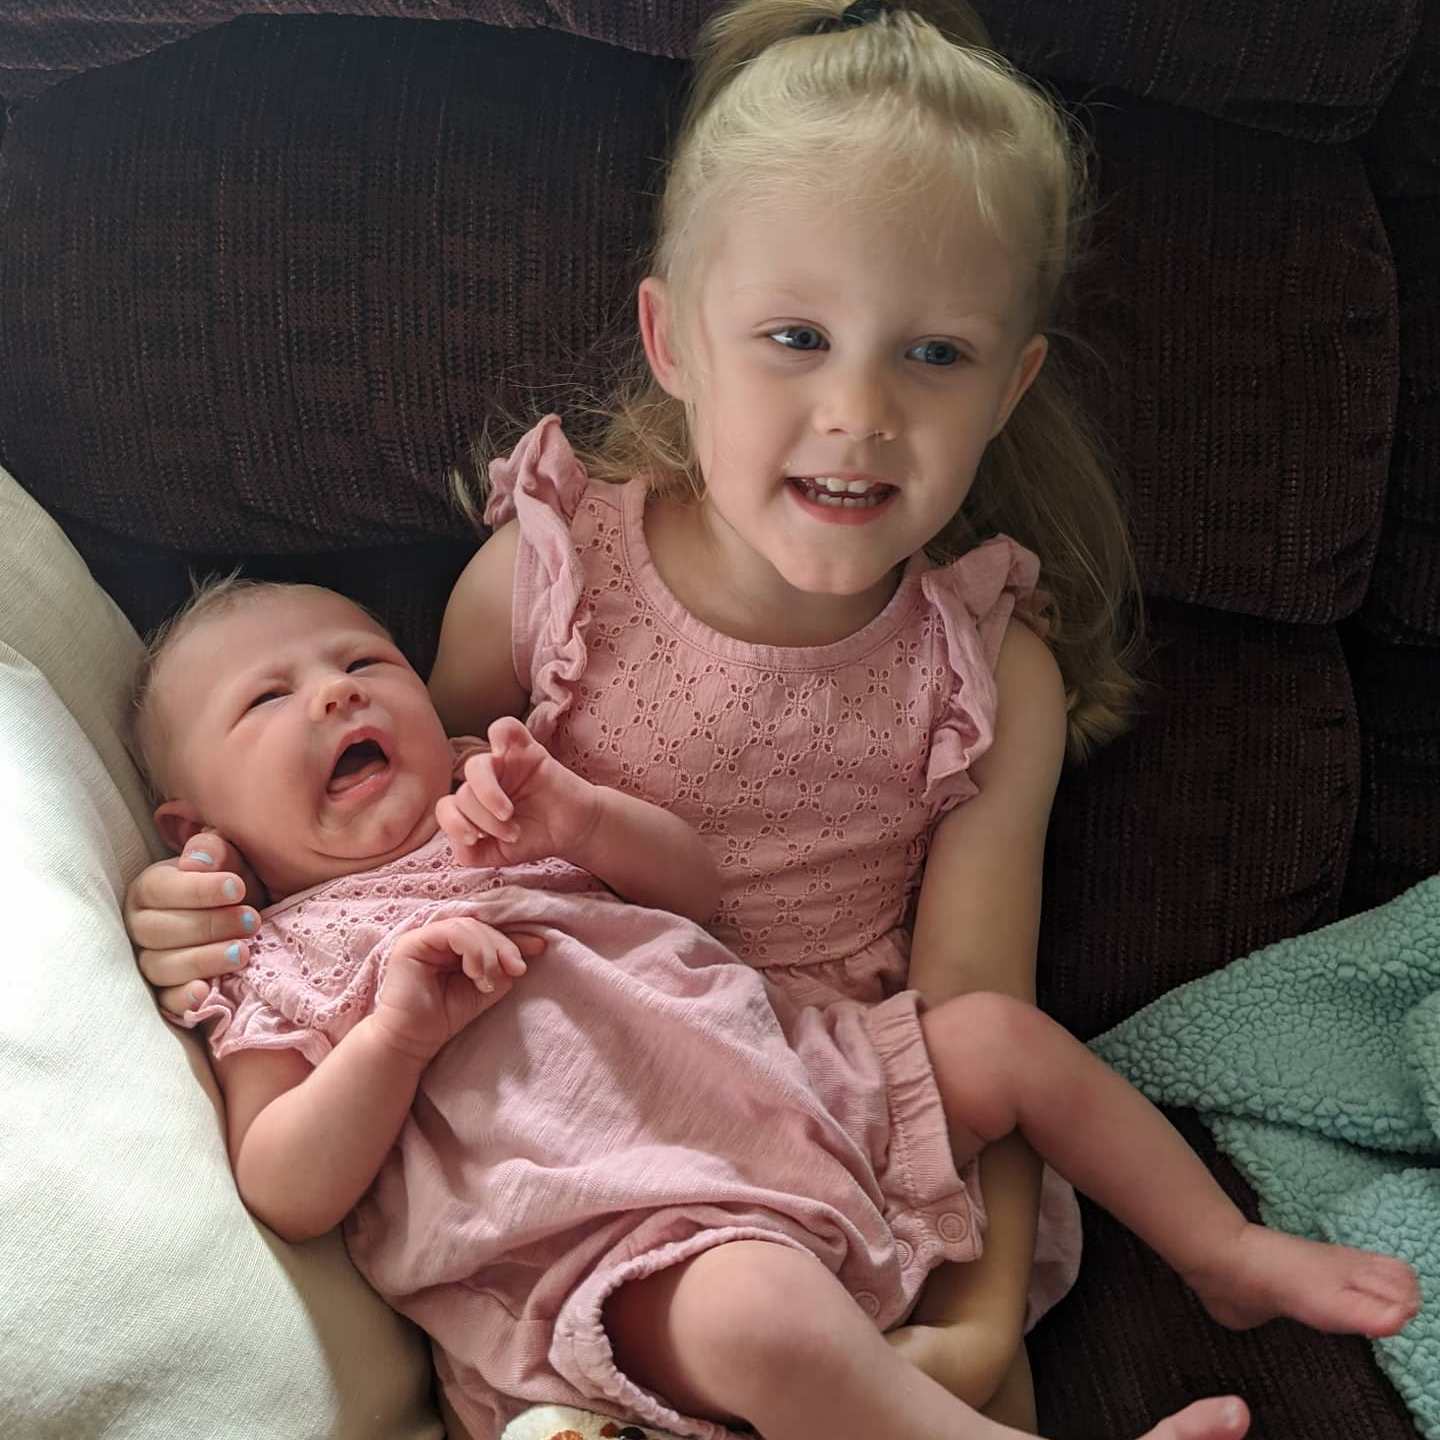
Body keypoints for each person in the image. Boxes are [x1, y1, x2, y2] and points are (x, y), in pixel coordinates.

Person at [114, 0, 1394, 1431]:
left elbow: (976, 1003)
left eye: (936, 354)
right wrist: (200, 895)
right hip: (611, 1155)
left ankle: (1221, 1258)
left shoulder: (987, 671)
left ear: (1012, 385)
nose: (860, 410)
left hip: (854, 1103)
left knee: (997, 1085)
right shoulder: (543, 579)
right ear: (673, 337)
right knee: (779, 1337)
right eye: (796, 335)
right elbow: (399, 841)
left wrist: (977, 1325)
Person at [135, 576, 1416, 1440]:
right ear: (199, 827)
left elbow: (696, 896)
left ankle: (1220, 1252)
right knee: (759, 1317)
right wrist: (397, 1034)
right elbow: (285, 1182)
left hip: (804, 1092)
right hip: (619, 1246)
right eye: (269, 700)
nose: (337, 693)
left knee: (999, 1041)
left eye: (363, 660)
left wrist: (580, 818)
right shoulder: (276, 958)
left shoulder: (499, 794)